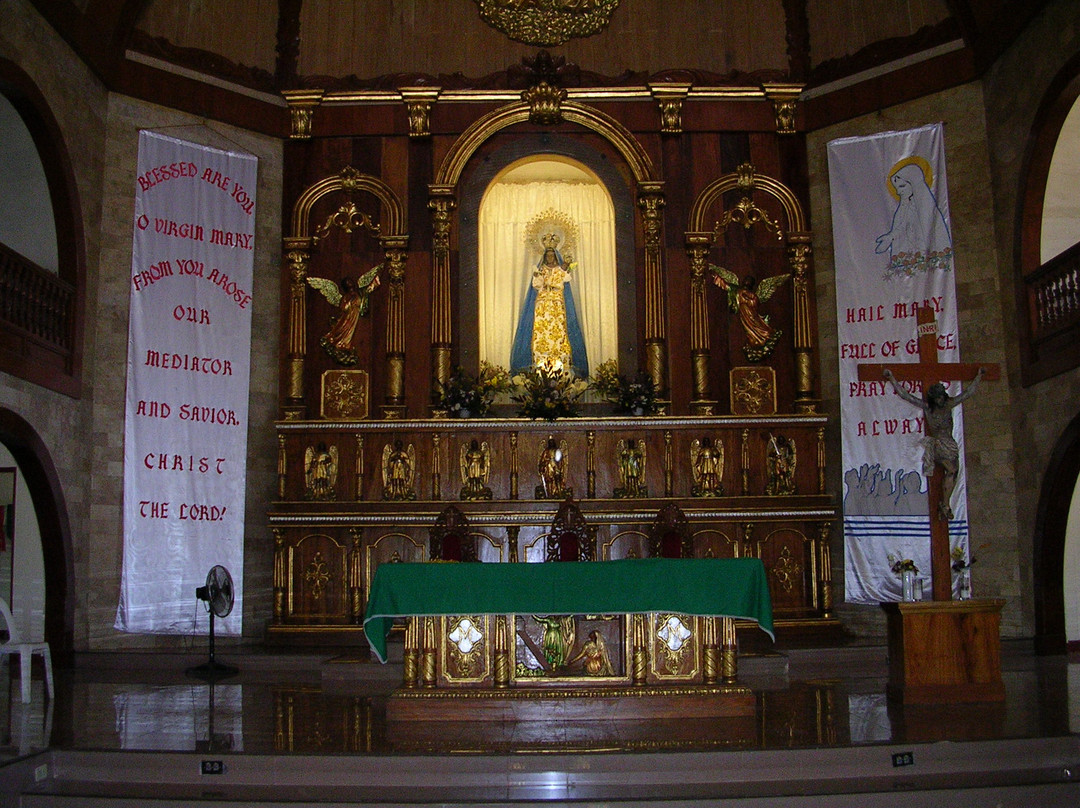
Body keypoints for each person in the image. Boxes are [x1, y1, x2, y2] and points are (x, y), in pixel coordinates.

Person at [883, 367, 984, 520]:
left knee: (953, 473)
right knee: (950, 470)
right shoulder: (928, 408)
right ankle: (945, 505)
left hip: (950, 444)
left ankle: (945, 504)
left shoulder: (949, 404)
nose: (939, 401)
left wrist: (978, 377)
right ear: (933, 399)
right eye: (937, 398)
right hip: (938, 445)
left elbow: (968, 393)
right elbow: (905, 395)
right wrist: (892, 378)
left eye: (941, 398)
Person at [511, 237, 589, 376]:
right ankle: (540, 363)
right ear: (545, 256)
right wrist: (538, 277)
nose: (550, 257)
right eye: (548, 255)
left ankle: (561, 362)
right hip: (542, 306)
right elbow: (536, 285)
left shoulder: (561, 270)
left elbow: (564, 279)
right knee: (541, 333)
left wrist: (566, 268)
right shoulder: (540, 270)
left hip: (558, 305)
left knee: (560, 332)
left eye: (553, 255)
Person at [874, 161, 953, 276]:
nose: (898, 191)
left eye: (902, 186)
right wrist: (890, 237)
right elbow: (901, 227)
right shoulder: (904, 209)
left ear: (913, 183)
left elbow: (933, 233)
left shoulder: (927, 209)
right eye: (897, 188)